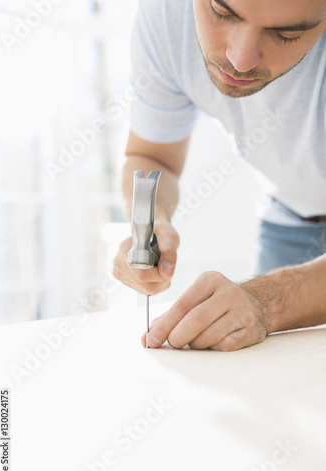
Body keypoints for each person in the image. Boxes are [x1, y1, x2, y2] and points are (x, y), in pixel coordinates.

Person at [113, 0, 326, 351]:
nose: (240, 60)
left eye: (287, 33)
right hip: (287, 215)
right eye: (222, 12)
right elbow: (152, 157)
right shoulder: (165, 16)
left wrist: (265, 303)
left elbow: (264, 305)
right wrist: (152, 222)